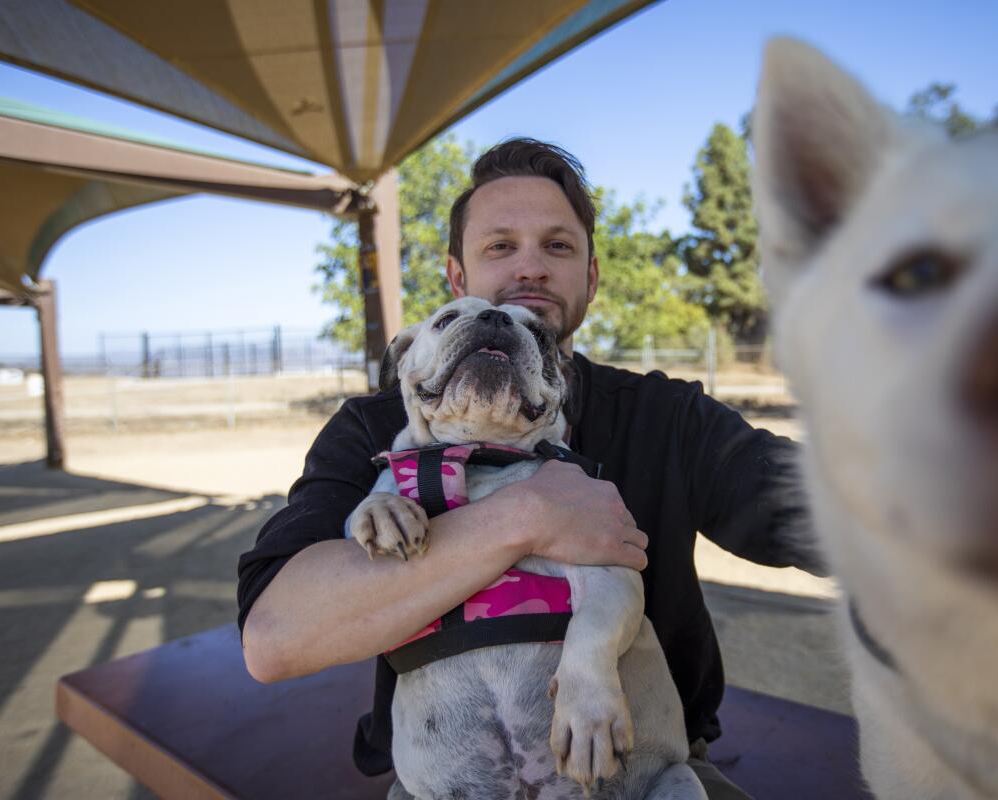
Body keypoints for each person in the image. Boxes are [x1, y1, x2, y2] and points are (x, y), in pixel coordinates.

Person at [238, 138, 821, 799]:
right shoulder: (371, 431)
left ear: (592, 278)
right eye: (499, 246)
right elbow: (274, 639)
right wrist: (526, 518)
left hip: (646, 772)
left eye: (558, 246)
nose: (531, 268)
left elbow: (814, 504)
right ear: (456, 279)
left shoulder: (665, 416)